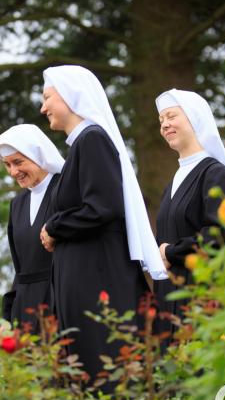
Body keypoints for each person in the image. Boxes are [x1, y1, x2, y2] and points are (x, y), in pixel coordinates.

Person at [38, 65, 169, 383]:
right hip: (85, 277)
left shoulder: (92, 140)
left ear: (71, 97)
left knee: (106, 370)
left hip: (98, 277)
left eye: (47, 97)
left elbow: (102, 206)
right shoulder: (80, 146)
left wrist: (55, 226)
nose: (43, 107)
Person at [154, 89, 225, 340]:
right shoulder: (173, 181)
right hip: (168, 298)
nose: (165, 124)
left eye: (171, 116)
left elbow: (219, 235)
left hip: (202, 296)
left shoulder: (214, 173)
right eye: (161, 120)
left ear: (194, 118)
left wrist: (170, 252)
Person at [0, 124, 65, 333]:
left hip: (61, 301)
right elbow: (20, 268)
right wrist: (8, 318)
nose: (14, 172)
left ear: (39, 155)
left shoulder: (65, 188)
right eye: (7, 165)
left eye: (18, 162)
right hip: (26, 310)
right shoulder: (17, 204)